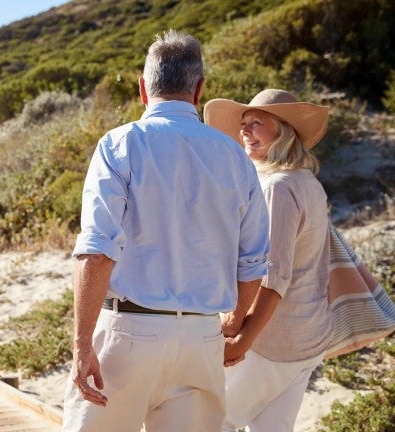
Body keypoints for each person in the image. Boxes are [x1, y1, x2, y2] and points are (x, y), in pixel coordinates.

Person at [62, 29, 270, 432]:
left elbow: (98, 251)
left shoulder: (119, 145)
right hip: (201, 336)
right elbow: (253, 262)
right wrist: (230, 322)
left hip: (128, 333)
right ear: (199, 90)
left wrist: (81, 345)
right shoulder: (235, 157)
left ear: (143, 88)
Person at [203, 89, 333, 432]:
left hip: (269, 341)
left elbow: (273, 276)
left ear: (284, 130)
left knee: (213, 421)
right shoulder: (307, 182)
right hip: (305, 337)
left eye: (257, 122)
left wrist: (239, 338)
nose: (245, 130)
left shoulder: (277, 187)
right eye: (244, 123)